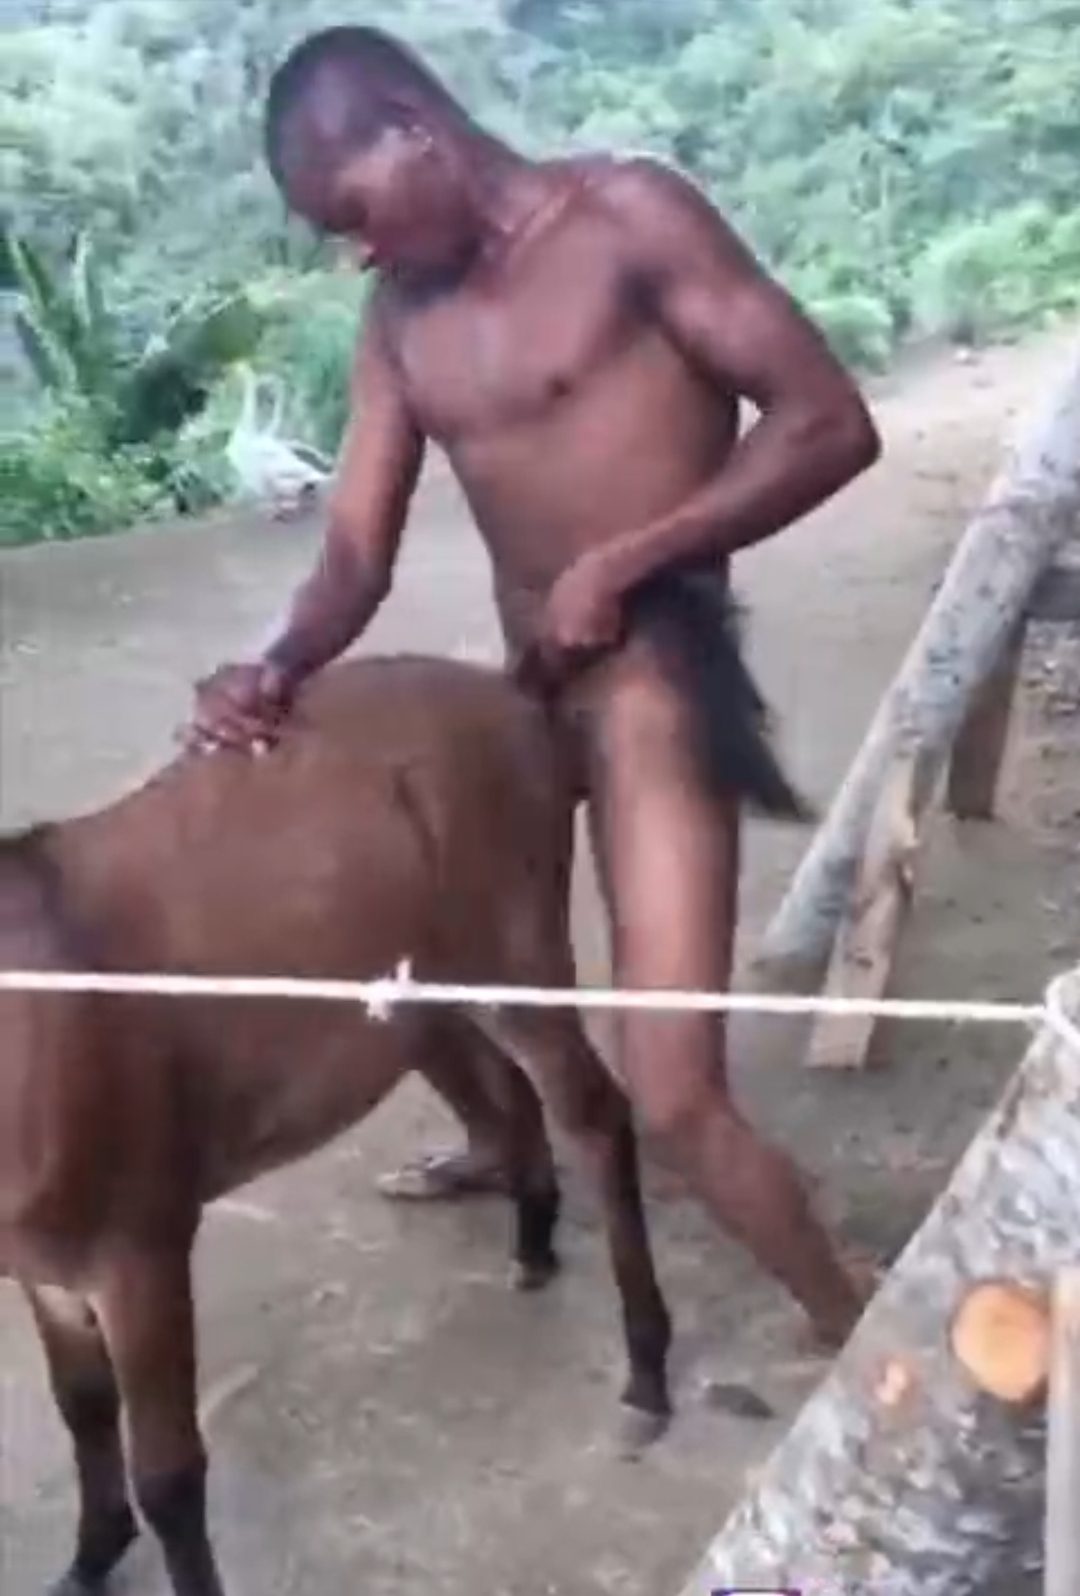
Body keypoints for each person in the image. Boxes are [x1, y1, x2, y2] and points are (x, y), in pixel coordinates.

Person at [188, 25, 881, 1346]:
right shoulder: (399, 323)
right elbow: (353, 555)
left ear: (415, 128)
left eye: (354, 215)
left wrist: (627, 560)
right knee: (381, 925)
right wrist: (270, 665)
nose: (358, 254)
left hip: (653, 680)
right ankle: (508, 1138)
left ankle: (862, 1331)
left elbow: (829, 423)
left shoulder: (629, 218)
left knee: (675, 1099)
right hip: (525, 690)